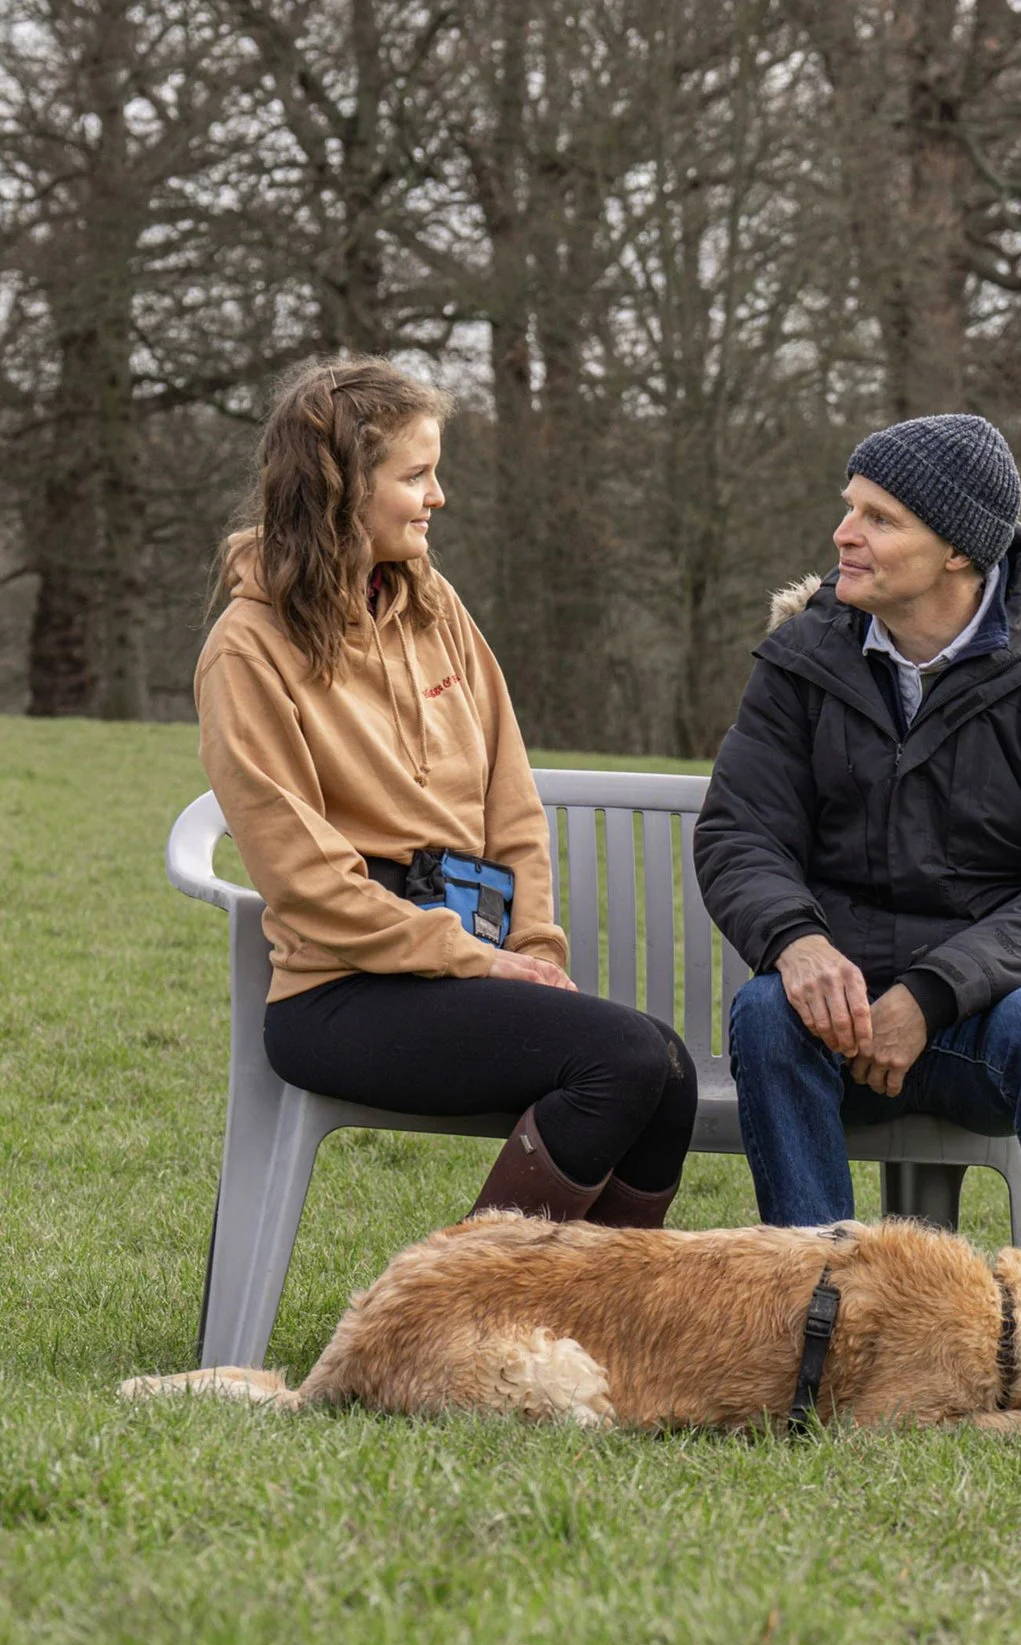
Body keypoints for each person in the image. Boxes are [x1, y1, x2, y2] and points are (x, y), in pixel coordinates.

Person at [194, 356, 694, 1226]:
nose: (439, 496)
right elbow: (305, 881)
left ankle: (595, 1343)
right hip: (342, 990)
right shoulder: (247, 649)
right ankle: (445, 1319)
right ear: (343, 489)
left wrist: (536, 951)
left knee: (670, 1071)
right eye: (416, 475)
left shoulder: (436, 608)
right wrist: (480, 961)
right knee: (625, 1061)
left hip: (471, 962)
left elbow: (512, 803)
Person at [691, 413, 1021, 1318]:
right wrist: (795, 942)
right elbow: (738, 831)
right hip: (837, 1017)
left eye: (880, 518)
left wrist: (930, 997)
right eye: (848, 508)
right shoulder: (802, 655)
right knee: (765, 1012)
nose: (844, 535)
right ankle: (820, 1323)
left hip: (995, 1027)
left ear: (956, 552)